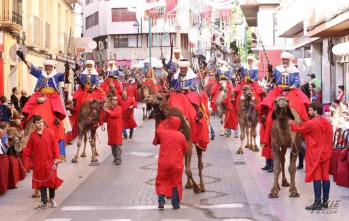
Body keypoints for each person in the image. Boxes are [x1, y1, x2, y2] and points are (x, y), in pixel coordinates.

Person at [259, 51, 310, 172]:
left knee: (301, 104)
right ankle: (266, 119)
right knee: (268, 103)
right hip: (278, 90)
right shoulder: (277, 69)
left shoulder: (295, 71)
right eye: (283, 59)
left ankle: (304, 125)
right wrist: (270, 72)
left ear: (290, 60)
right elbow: (273, 80)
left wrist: (289, 88)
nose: (284, 61)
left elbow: (296, 83)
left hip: (291, 91)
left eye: (286, 60)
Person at [289, 102, 332, 210]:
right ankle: (325, 202)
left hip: (315, 153)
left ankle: (317, 203)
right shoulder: (327, 122)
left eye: (310, 110)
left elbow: (298, 129)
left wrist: (291, 123)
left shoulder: (312, 123)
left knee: (317, 177)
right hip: (326, 153)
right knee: (325, 177)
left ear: (316, 111)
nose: (309, 112)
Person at [16, 51, 67, 127]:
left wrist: (67, 69)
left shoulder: (57, 75)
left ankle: (57, 118)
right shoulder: (40, 73)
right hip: (40, 93)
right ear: (44, 66)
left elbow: (65, 76)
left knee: (57, 106)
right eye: (46, 66)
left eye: (49, 66)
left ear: (52, 67)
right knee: (30, 102)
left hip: (52, 94)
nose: (48, 68)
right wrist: (23, 59)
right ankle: (26, 116)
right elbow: (31, 67)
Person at [22, 115, 63, 208]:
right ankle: (43, 201)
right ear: (34, 124)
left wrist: (56, 158)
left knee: (51, 181)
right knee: (42, 182)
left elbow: (55, 146)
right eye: (38, 122)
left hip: (50, 161)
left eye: (41, 122)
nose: (40, 124)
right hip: (38, 162)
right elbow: (29, 148)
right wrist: (21, 152)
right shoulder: (32, 136)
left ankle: (52, 199)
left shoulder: (49, 132)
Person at [155, 116, 188, 209]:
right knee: (176, 182)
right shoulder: (181, 136)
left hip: (164, 162)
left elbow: (159, 129)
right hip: (176, 163)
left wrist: (164, 121)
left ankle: (161, 200)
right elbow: (186, 148)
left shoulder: (163, 133)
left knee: (161, 180)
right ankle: (175, 204)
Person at [103, 96, 123, 165]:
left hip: (117, 128)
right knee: (112, 144)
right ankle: (115, 157)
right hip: (111, 129)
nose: (115, 101)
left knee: (117, 143)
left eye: (116, 100)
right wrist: (104, 111)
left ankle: (118, 158)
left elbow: (115, 114)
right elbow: (105, 118)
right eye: (113, 100)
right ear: (111, 101)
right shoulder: (109, 108)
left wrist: (107, 111)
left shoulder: (119, 108)